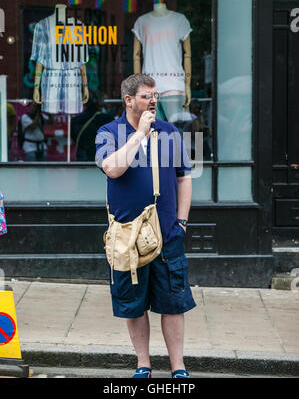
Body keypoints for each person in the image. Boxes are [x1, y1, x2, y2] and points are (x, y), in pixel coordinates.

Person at [95, 73, 196, 379]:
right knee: (133, 305)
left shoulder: (170, 132)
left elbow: (183, 177)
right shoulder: (108, 132)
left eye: (156, 95)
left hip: (167, 234)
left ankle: (178, 367)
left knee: (173, 303)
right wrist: (138, 134)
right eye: (146, 96)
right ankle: (144, 364)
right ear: (128, 100)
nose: (153, 101)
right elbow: (112, 169)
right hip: (127, 236)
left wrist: (181, 222)